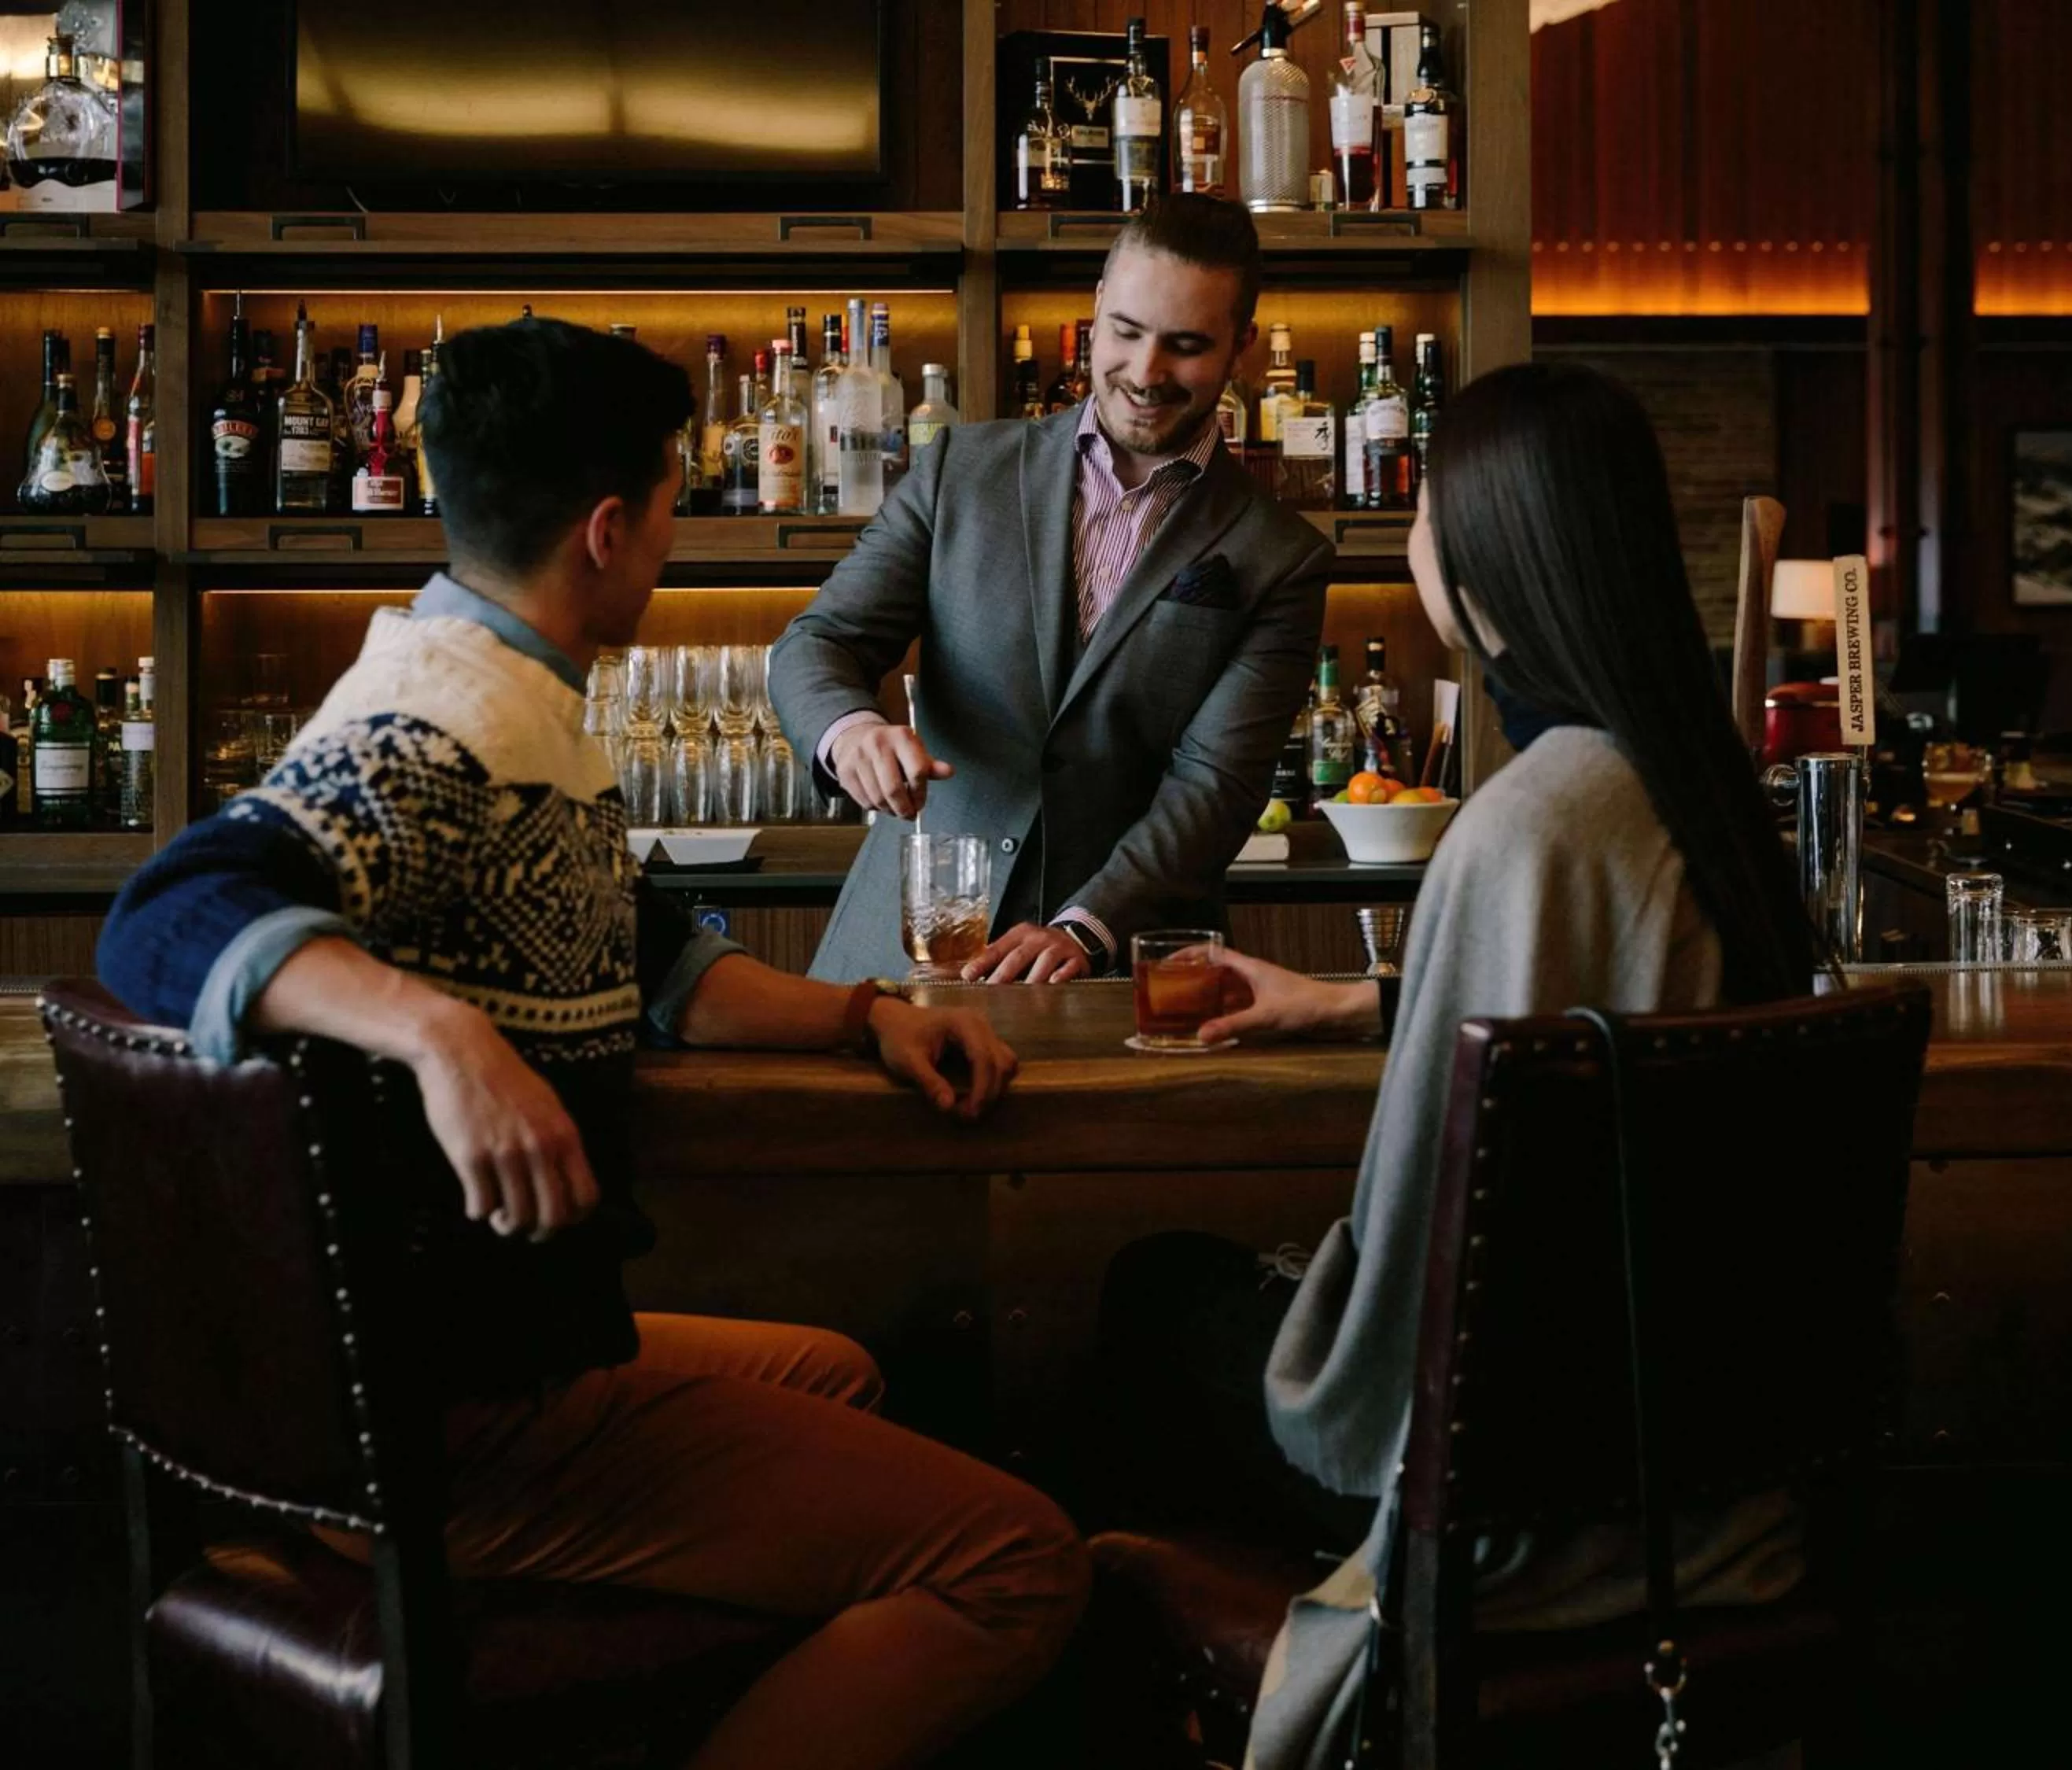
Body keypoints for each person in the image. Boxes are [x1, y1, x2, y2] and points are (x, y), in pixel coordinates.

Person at [96, 319, 1089, 1770]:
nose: (681, 531)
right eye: (681, 498)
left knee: (834, 1370)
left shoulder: (518, 700)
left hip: (408, 1373)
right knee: (1017, 1561)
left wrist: (865, 1015)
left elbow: (660, 955)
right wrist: (445, 1041)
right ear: (611, 530)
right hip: (464, 1412)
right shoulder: (441, 718)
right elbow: (169, 912)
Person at [1094, 363, 1825, 1769]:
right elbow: (1611, 1019)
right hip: (1703, 1468)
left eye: (1426, 512)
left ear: (1485, 561)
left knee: (1152, 1292)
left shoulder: (1524, 825)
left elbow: (1426, 1247)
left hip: (1500, 1485)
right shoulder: (1706, 789)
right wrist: (1372, 1001)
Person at [772, 194, 1332, 985]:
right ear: (1097, 309)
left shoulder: (1281, 555)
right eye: (1128, 333)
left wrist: (1084, 927)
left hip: (1121, 973)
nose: (1145, 373)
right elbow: (818, 643)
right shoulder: (958, 473)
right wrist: (851, 732)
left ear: (1240, 346)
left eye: (1186, 346)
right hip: (904, 956)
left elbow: (1215, 786)